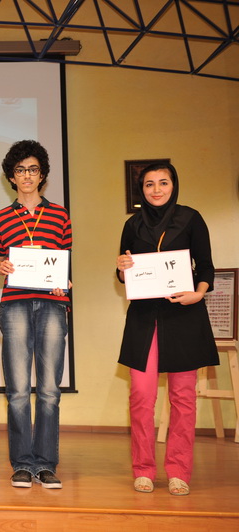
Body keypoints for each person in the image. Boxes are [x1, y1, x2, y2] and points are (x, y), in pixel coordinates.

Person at [115, 161, 218, 496]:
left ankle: (178, 471)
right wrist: (122, 268)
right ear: (141, 190)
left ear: (174, 185)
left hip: (184, 317)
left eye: (163, 182)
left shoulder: (191, 218)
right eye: (149, 184)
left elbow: (206, 266)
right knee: (141, 397)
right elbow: (124, 273)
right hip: (144, 319)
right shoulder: (132, 224)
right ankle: (144, 469)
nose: (156, 189)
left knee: (183, 398)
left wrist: (198, 293)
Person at [0, 140, 72, 489]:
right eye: (20, 170)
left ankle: (46, 464)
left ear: (42, 175)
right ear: (12, 176)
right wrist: (1, 265)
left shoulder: (60, 216)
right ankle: (23, 463)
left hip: (52, 305)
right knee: (18, 390)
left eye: (33, 169)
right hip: (15, 305)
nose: (26, 175)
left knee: (50, 390)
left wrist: (64, 283)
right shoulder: (0, 218)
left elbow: (64, 260)